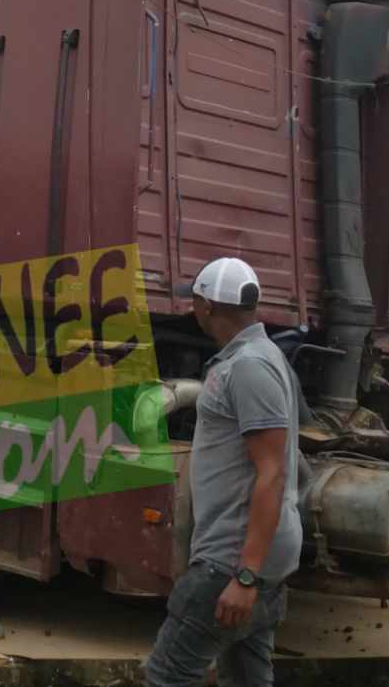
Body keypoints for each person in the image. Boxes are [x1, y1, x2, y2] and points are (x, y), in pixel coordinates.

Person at [144, 257, 302, 687]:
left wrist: (245, 575)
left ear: (208, 307)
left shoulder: (249, 366)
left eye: (194, 300)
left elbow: (273, 472)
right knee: (246, 678)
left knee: (166, 677)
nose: (192, 308)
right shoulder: (261, 356)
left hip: (231, 563)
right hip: (251, 560)